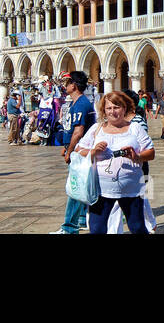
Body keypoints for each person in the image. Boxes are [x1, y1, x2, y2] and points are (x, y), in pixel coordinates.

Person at [76, 90, 154, 234]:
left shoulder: (135, 128)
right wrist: (93, 151)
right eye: (109, 108)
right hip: (101, 189)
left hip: (131, 189)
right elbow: (79, 150)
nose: (113, 111)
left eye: (117, 107)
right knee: (97, 228)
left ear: (124, 108)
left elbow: (151, 153)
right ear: (104, 111)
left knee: (137, 228)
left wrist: (136, 156)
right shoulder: (96, 129)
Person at [54, 71, 98, 234]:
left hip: (79, 151)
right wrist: (66, 147)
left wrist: (69, 151)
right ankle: (80, 219)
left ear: (74, 85)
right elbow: (72, 129)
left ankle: (69, 227)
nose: (65, 86)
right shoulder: (77, 103)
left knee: (75, 187)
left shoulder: (80, 104)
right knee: (80, 186)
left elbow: (78, 132)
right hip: (75, 148)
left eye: (67, 83)